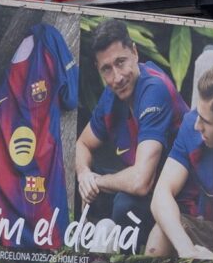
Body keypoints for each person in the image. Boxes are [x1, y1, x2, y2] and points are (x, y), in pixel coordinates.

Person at [71, 19, 186, 248]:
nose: (117, 77)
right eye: (107, 69)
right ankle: (83, 253)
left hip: (178, 197)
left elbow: (141, 181)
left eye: (121, 62)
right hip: (144, 185)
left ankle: (115, 259)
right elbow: (82, 145)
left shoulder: (154, 89)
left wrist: (98, 182)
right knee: (79, 184)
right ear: (98, 69)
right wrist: (85, 175)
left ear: (134, 52)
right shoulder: (112, 94)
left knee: (124, 204)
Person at [0, 14, 79, 239]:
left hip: (0, 152)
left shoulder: (4, 79)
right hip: (37, 163)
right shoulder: (50, 40)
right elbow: (71, 98)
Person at [148, 48, 213, 262]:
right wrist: (186, 250)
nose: (197, 125)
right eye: (198, 114)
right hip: (206, 227)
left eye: (207, 122)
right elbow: (161, 194)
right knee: (161, 231)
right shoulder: (192, 124)